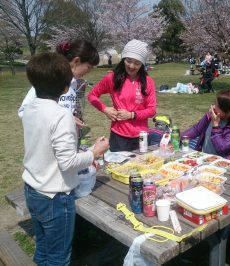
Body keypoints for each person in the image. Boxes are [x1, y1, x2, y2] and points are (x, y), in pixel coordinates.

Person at [22, 52, 109, 265]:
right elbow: (67, 162)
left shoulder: (30, 108)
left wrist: (83, 154)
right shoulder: (61, 115)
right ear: (65, 88)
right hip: (54, 197)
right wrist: (94, 152)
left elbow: (51, 150)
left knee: (42, 247)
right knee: (59, 257)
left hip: (32, 189)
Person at [87, 39, 156, 152]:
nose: (132, 66)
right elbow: (92, 95)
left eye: (137, 63)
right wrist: (105, 109)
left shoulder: (148, 81)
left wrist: (131, 115)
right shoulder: (112, 78)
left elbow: (152, 110)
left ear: (142, 64)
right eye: (128, 61)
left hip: (141, 137)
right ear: (123, 59)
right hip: (119, 136)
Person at [18, 39, 100, 131]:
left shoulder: (73, 84)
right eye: (89, 67)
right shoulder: (50, 80)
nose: (89, 71)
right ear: (76, 61)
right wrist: (66, 118)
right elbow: (24, 112)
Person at [181, 90, 230, 159]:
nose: (213, 107)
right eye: (214, 103)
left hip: (223, 164)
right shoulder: (210, 116)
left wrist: (215, 126)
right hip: (203, 159)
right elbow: (196, 130)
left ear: (227, 111)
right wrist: (178, 138)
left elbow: (222, 149)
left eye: (217, 105)